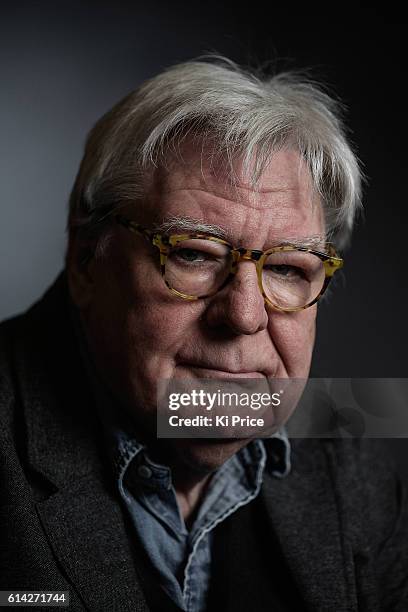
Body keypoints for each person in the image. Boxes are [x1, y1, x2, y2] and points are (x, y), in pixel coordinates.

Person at [0, 57, 407, 612]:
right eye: (192, 254)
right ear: (85, 261)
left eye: (288, 268)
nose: (243, 315)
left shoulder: (354, 452)